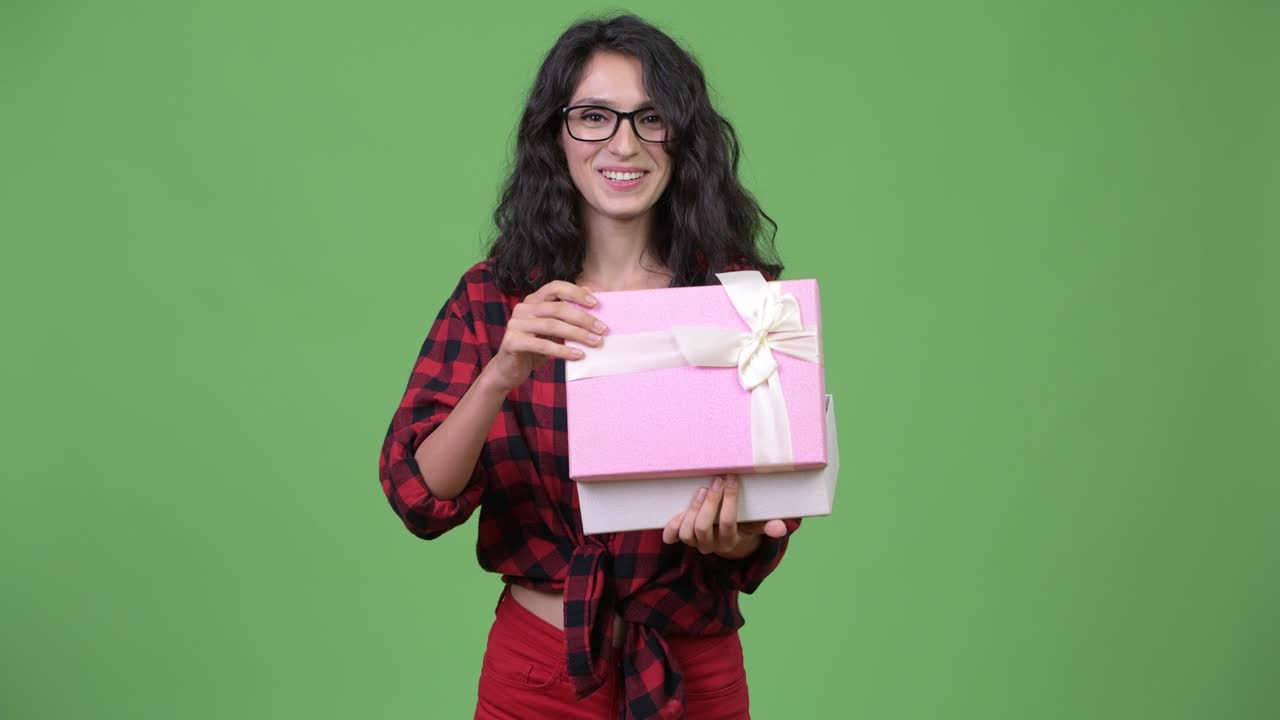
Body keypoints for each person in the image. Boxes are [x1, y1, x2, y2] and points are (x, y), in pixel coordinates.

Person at [378, 14, 800, 720]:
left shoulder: (739, 300)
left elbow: (776, 499)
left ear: (683, 138)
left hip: (693, 665)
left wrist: (742, 534)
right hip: (542, 669)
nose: (623, 144)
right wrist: (502, 371)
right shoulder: (495, 296)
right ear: (556, 135)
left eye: (651, 118)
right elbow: (420, 497)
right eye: (594, 117)